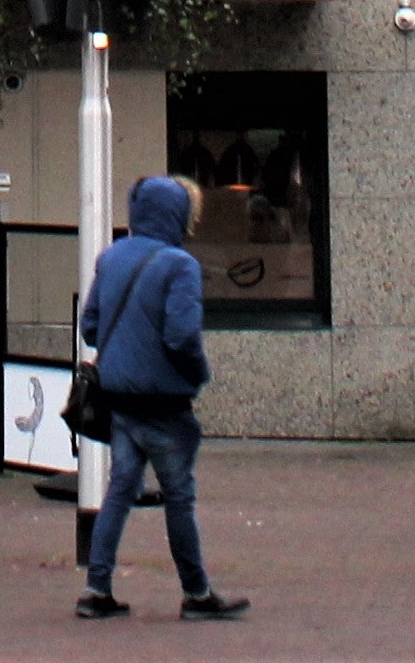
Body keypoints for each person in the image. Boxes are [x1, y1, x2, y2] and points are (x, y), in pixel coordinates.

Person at [74, 172, 246, 621]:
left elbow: (90, 327)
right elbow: (182, 336)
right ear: (179, 216)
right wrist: (198, 374)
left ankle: (96, 588)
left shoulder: (112, 257)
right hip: (165, 404)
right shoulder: (179, 265)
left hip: (119, 400)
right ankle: (196, 593)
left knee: (119, 492)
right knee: (179, 497)